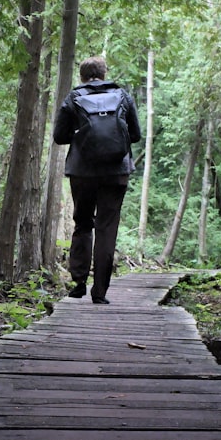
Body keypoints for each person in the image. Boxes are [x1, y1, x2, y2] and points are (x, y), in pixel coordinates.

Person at [51, 56, 142, 304]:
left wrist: (82, 135)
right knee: (106, 228)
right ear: (104, 74)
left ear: (82, 76)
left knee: (82, 223)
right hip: (116, 171)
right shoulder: (123, 96)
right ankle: (100, 292)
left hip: (82, 172)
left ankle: (79, 283)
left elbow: (59, 137)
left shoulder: (73, 98)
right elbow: (135, 135)